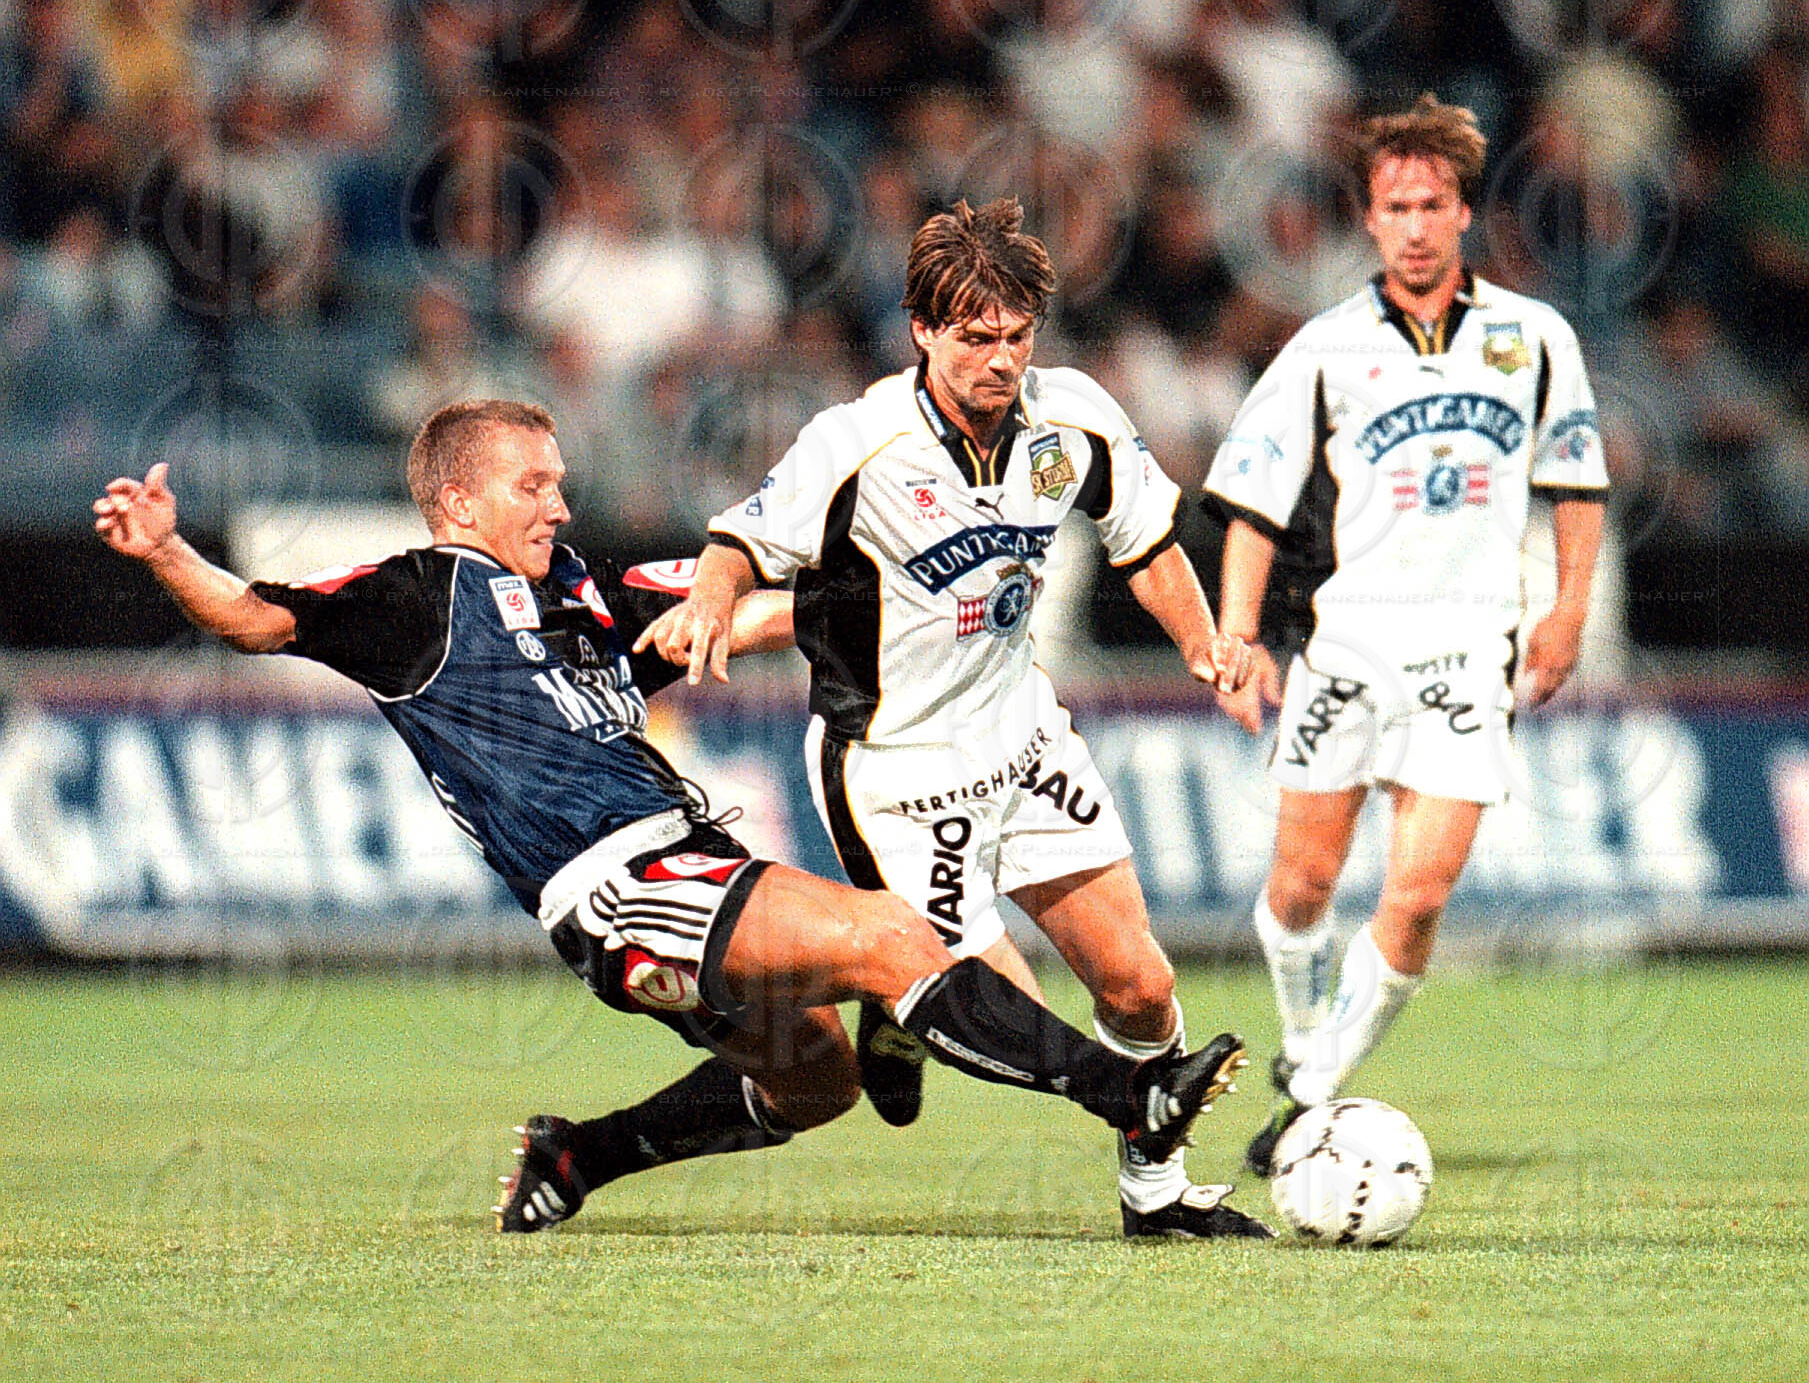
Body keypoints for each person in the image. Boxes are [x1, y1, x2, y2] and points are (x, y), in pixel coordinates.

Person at [92, 399, 1250, 1233]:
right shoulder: (420, 595)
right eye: (531, 485)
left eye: (558, 481)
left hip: (683, 867)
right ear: (458, 500)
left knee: (817, 1087)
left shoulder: (579, 594)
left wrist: (906, 592)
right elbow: (256, 619)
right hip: (618, 886)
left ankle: (577, 1156)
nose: (558, 502)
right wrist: (166, 549)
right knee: (900, 936)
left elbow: (740, 608)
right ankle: (1129, 1093)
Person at [650, 199, 1273, 1239]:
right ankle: (901, 1014)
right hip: (895, 767)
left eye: (1018, 335)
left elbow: (1147, 544)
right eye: (977, 337)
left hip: (1020, 736)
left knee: (1139, 986)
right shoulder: (858, 443)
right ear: (922, 330)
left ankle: (1154, 1198)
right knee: (995, 1009)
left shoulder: (1072, 420)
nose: (1001, 359)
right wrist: (713, 601)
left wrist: (1203, 645)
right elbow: (741, 542)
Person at [1200, 95, 1609, 1174]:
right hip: (1349, 643)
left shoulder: (1535, 338)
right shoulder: (1325, 347)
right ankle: (1305, 1043)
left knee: (1419, 897)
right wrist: (1236, 638)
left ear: (1464, 212)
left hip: (1470, 648)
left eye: (1433, 204)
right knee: (1301, 887)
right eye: (1396, 207)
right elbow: (1253, 505)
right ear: (1369, 219)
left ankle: (1311, 1091)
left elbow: (1576, 485)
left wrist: (1566, 611)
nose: (1416, 225)